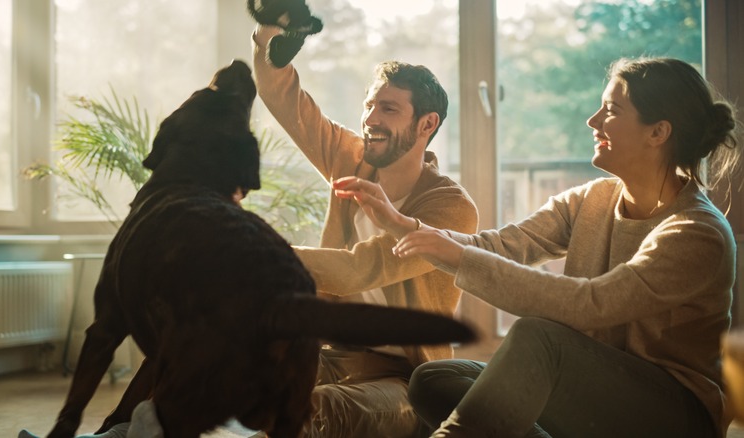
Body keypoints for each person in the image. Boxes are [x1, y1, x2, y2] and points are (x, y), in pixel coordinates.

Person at [334, 56, 741, 438]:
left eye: (611, 111)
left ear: (658, 132)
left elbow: (589, 304)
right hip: (592, 394)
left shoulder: (696, 231)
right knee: (433, 378)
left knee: (538, 337)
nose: (592, 120)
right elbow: (501, 246)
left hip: (675, 416)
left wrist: (457, 256)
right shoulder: (592, 199)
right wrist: (406, 225)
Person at [250, 23, 479, 438]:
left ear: (426, 124)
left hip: (407, 381)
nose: (370, 118)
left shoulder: (451, 208)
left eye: (388, 109)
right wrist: (270, 42)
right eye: (369, 105)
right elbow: (287, 102)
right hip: (333, 352)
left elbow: (363, 269)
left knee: (315, 409)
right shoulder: (352, 159)